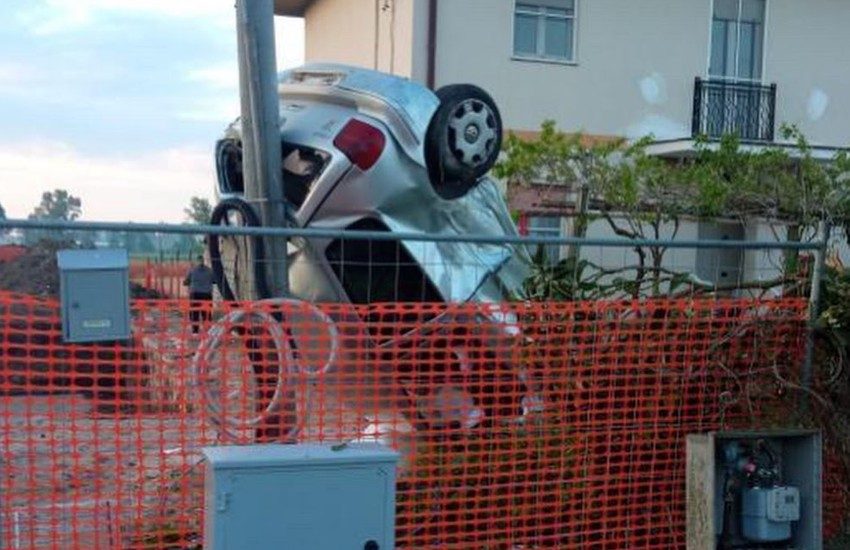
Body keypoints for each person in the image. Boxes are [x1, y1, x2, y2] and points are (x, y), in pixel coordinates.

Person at [184, 255, 216, 334]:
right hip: (207, 295)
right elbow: (215, 281)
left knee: (195, 312)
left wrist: (188, 282)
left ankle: (195, 331)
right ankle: (209, 331)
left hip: (195, 294)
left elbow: (186, 282)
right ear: (204, 261)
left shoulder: (192, 271)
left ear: (197, 261)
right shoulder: (210, 271)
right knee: (206, 313)